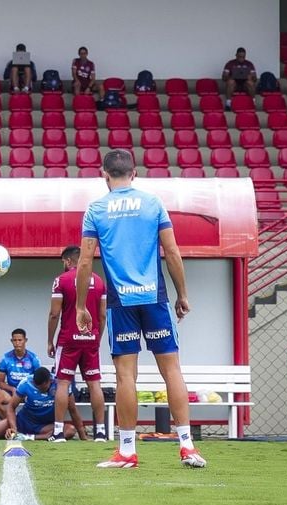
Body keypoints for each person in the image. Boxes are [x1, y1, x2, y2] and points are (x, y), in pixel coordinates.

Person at [75, 149, 207, 469]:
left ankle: (128, 451)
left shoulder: (96, 209)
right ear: (134, 174)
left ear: (104, 174)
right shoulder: (153, 203)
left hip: (121, 301)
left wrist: (81, 305)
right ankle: (187, 447)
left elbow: (84, 261)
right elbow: (172, 252)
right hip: (155, 297)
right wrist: (183, 294)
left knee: (125, 377)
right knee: (172, 370)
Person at [48, 245, 108, 443]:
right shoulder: (99, 281)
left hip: (68, 339)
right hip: (91, 339)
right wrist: (96, 338)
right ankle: (100, 432)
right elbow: (101, 314)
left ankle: (58, 432)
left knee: (63, 383)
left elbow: (54, 313)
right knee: (94, 384)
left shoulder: (61, 280)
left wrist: (50, 340)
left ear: (67, 261)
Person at [0, 367, 76, 441]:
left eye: (42, 388)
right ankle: (14, 435)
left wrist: (83, 437)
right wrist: (14, 428)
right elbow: (11, 407)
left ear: (49, 381)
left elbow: (73, 410)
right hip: (23, 421)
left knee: (70, 430)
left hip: (44, 427)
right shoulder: (26, 383)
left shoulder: (61, 385)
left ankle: (29, 437)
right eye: (36, 387)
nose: (39, 389)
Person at [0, 328, 41, 420]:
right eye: (14, 340)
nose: (17, 343)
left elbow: (39, 381)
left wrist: (28, 390)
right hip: (12, 394)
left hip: (28, 393)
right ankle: (11, 425)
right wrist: (12, 389)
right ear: (11, 341)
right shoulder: (6, 358)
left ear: (25, 340)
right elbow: (0, 383)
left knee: (41, 400)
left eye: (20, 340)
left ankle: (29, 427)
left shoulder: (33, 358)